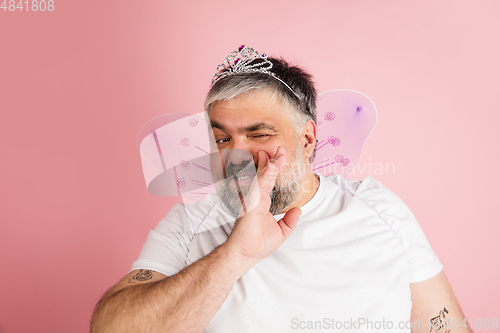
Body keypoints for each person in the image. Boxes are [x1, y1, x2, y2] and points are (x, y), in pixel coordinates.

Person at [91, 45, 471, 333]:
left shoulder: (379, 212)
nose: (237, 156)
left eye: (259, 134)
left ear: (307, 139)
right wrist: (235, 255)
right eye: (222, 139)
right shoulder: (191, 224)